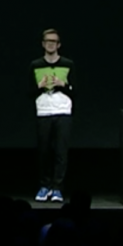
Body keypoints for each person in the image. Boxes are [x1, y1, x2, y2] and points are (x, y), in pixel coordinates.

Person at [32, 28, 75, 203]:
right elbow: (27, 91)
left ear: (58, 44)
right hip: (43, 111)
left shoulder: (68, 64)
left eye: (54, 41)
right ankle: (44, 186)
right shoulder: (35, 65)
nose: (50, 44)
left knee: (60, 152)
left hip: (63, 111)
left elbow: (76, 90)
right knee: (44, 151)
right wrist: (40, 86)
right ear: (43, 44)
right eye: (48, 41)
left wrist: (62, 84)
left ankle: (57, 188)